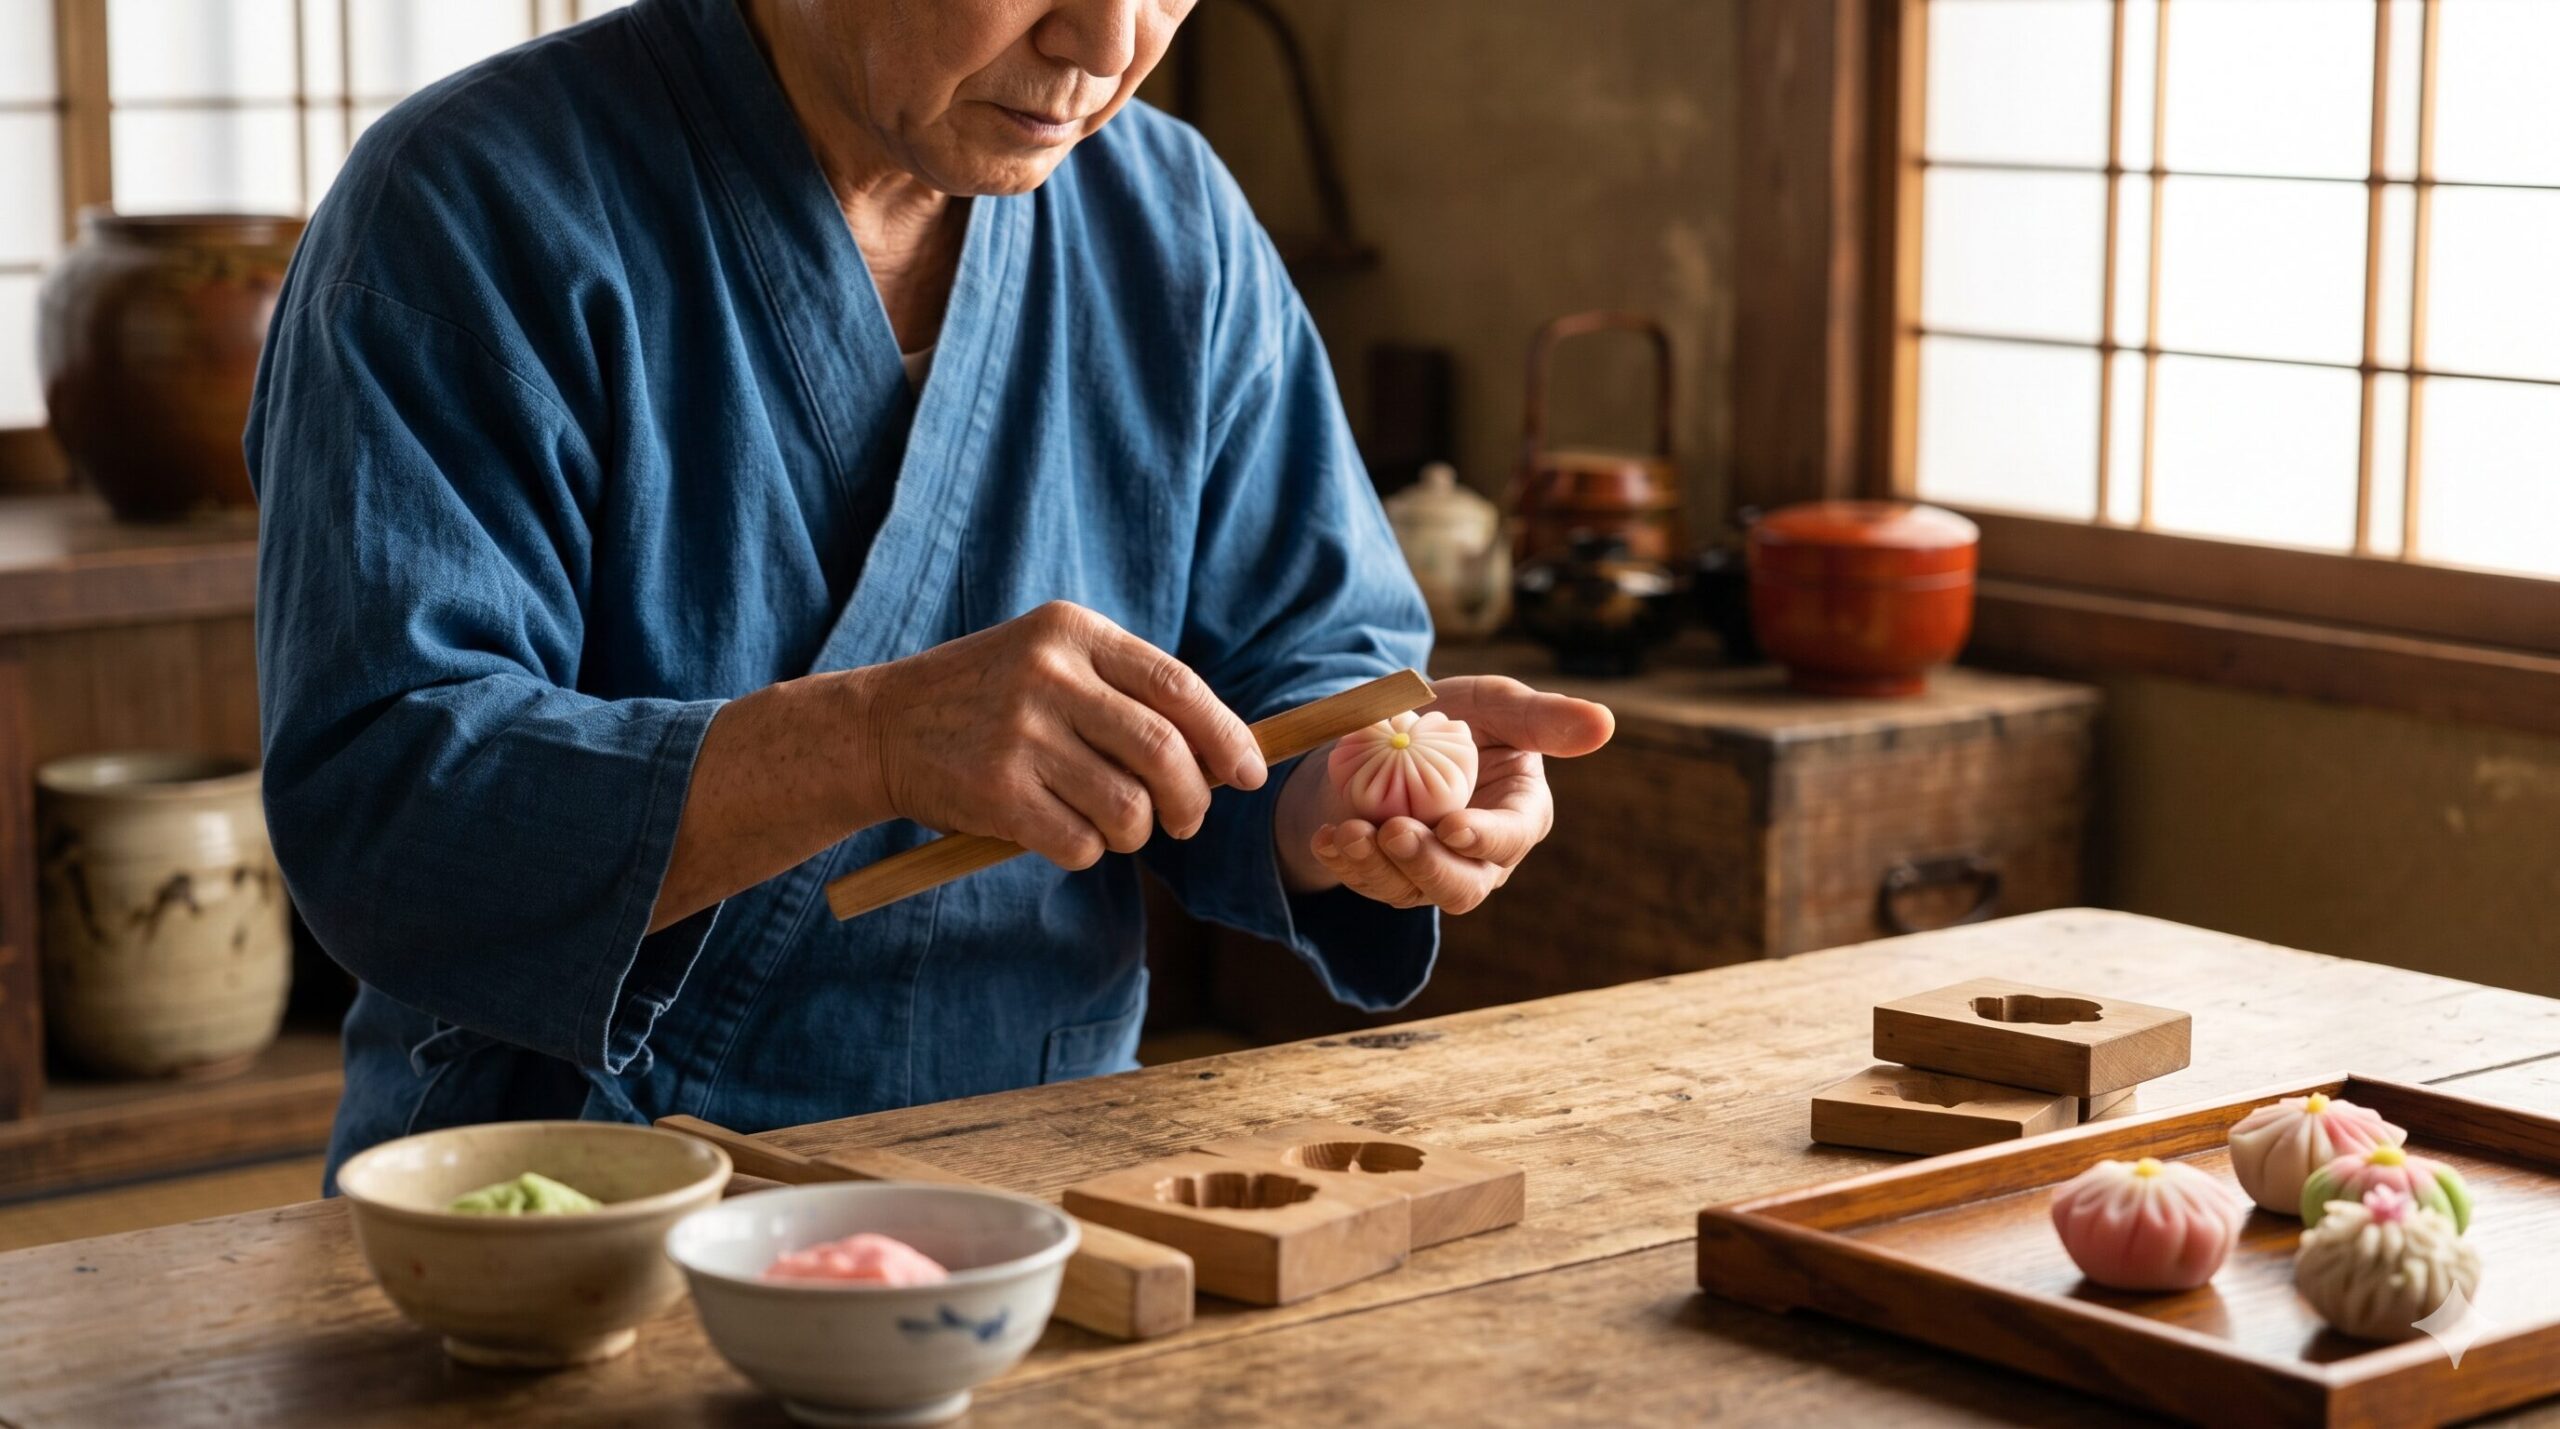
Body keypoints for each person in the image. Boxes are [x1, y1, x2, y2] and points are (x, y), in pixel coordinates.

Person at [246, 0, 1615, 1184]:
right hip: (568, 1199)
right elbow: (386, 798)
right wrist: (875, 741)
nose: (1106, 44)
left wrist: (1358, 799)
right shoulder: (467, 208)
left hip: (1039, 1188)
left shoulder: (1174, 220)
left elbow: (1295, 669)